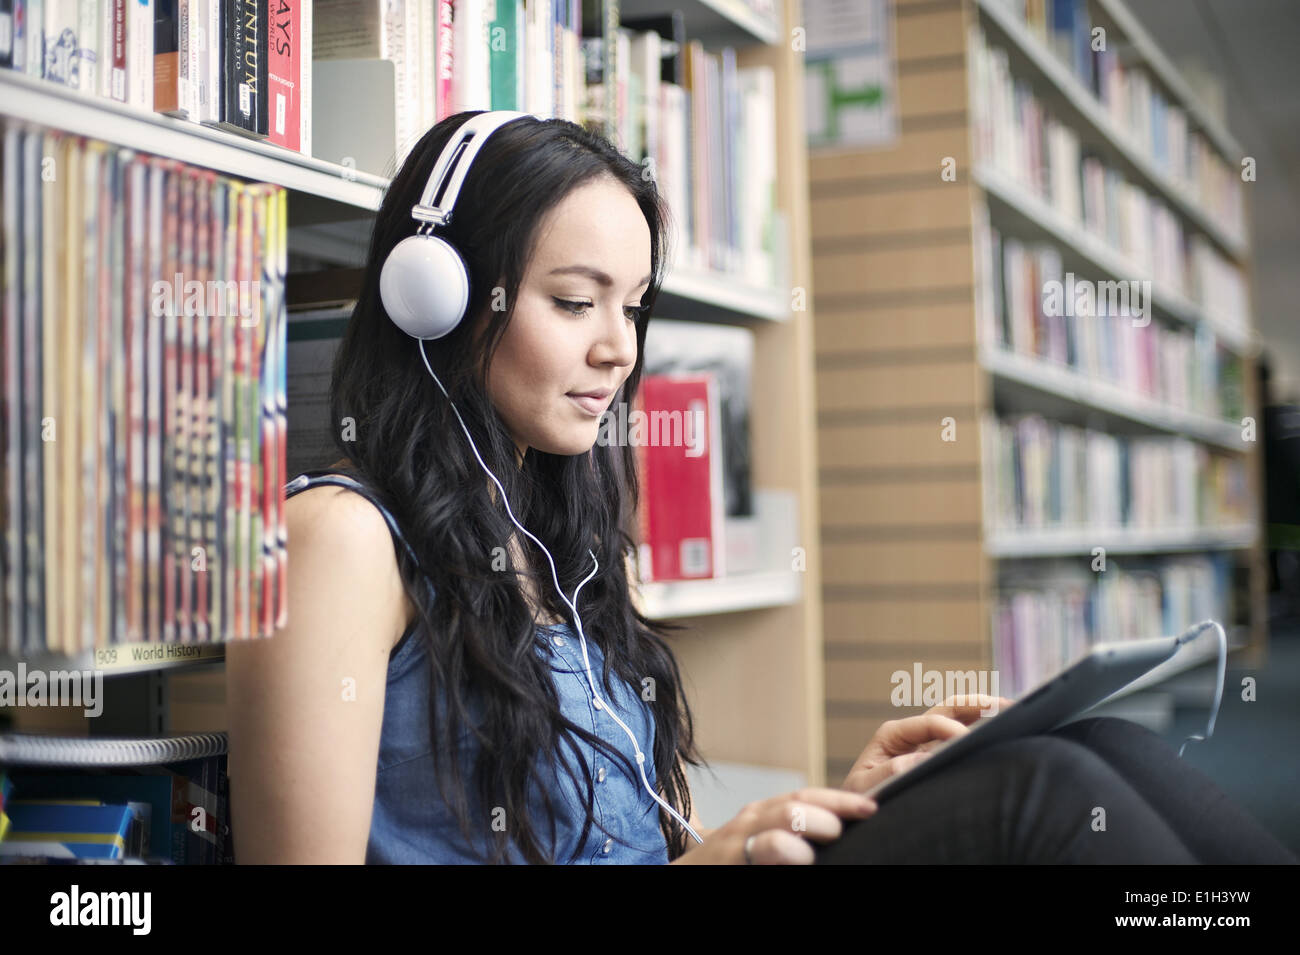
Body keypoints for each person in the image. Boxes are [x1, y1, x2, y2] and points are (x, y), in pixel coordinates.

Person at [225, 112, 1297, 865]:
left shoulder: (546, 536)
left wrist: (828, 802)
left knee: (1090, 744)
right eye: (573, 300)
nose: (617, 350)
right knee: (1044, 796)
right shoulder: (339, 539)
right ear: (437, 298)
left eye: (633, 307)